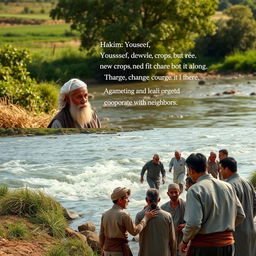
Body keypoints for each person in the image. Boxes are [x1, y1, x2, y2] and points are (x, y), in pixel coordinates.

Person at [179, 153, 245, 256]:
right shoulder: (228, 186)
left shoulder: (195, 190)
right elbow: (240, 215)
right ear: (206, 167)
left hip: (205, 247)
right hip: (228, 245)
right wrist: (223, 229)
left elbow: (194, 224)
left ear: (190, 170)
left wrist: (184, 241)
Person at [99, 187, 157, 256]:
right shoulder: (124, 215)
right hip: (119, 251)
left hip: (106, 251)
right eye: (126, 198)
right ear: (120, 200)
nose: (128, 200)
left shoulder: (105, 214)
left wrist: (102, 249)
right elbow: (134, 231)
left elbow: (101, 235)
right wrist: (146, 218)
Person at [220, 157, 256, 256]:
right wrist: (249, 218)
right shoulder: (247, 182)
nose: (220, 171)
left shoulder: (229, 185)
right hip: (251, 229)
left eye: (221, 169)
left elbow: (226, 212)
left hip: (237, 233)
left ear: (227, 169)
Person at [135, 188, 177, 256]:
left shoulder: (140, 215)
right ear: (159, 199)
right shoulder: (167, 216)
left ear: (146, 200)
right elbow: (172, 240)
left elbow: (135, 232)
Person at [161, 183, 185, 255]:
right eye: (171, 192)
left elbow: (192, 222)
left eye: (176, 192)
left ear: (179, 192)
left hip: (182, 241)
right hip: (168, 242)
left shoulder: (185, 205)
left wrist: (184, 225)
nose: (174, 194)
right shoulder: (163, 208)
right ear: (168, 194)